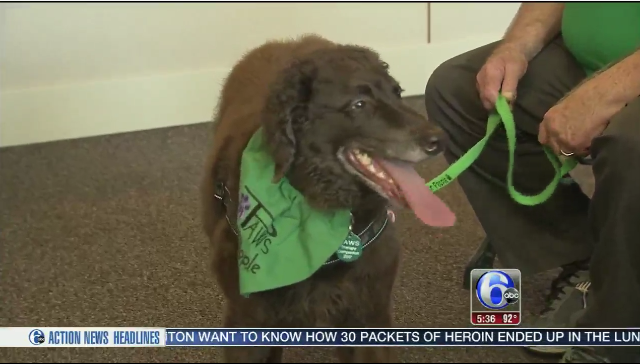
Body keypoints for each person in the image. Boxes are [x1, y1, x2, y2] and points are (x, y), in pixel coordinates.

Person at [425, 3, 640, 363]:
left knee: (629, 148)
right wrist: (515, 47)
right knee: (458, 91)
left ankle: (614, 338)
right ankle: (585, 256)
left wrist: (607, 93)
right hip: (590, 62)